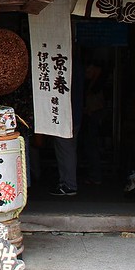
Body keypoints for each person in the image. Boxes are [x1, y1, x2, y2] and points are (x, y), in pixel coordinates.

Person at [49, 54, 84, 196]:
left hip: (67, 117)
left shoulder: (68, 67)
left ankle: (69, 184)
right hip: (72, 115)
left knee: (66, 150)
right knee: (67, 149)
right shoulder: (75, 66)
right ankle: (65, 182)